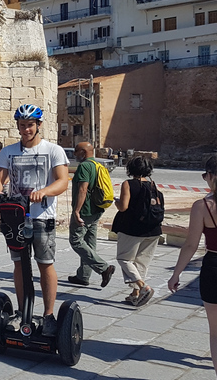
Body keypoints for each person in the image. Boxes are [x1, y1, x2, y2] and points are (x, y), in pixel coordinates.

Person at [0, 104, 69, 337]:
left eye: (30, 125)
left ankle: (49, 315)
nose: (26, 130)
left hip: (42, 217)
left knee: (45, 264)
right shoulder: (8, 152)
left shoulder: (53, 150)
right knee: (20, 265)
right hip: (16, 217)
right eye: (22, 126)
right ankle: (22, 312)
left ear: (38, 125)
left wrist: (44, 191)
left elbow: (63, 181)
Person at [169, 154, 217, 374]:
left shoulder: (203, 206)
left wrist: (176, 274)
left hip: (213, 267)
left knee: (216, 332)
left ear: (211, 176)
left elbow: (190, 245)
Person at [114, 156, 161, 306]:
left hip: (132, 229)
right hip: (153, 230)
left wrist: (116, 201)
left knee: (124, 259)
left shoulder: (128, 184)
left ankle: (143, 287)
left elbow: (124, 207)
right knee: (141, 262)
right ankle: (135, 294)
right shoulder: (153, 185)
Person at [67, 142, 116, 288]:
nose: (74, 155)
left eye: (76, 152)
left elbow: (83, 189)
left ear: (83, 152)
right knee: (89, 243)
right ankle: (83, 275)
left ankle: (104, 268)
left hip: (85, 210)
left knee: (76, 241)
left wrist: (76, 211)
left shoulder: (84, 166)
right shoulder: (98, 165)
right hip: (96, 209)